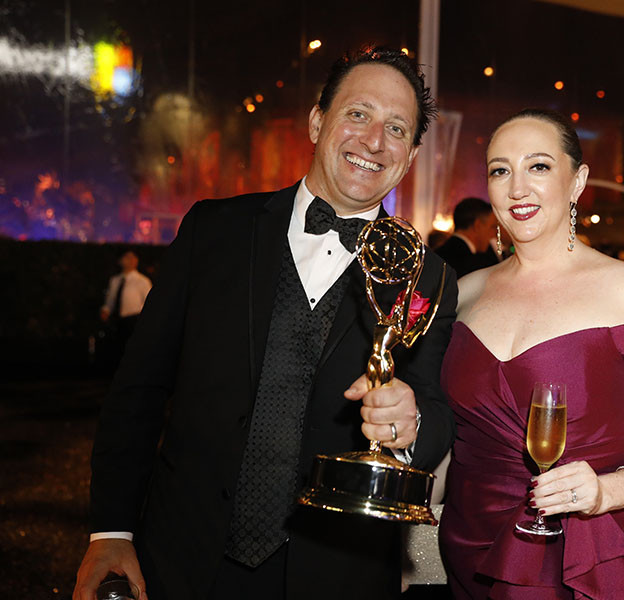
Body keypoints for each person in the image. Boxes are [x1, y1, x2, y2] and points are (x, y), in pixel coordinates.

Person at [73, 47, 458, 600]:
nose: (375, 140)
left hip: (340, 573)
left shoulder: (429, 276)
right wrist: (111, 528)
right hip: (183, 558)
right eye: (358, 114)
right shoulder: (214, 231)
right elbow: (138, 389)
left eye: (397, 128)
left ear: (413, 152)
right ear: (317, 120)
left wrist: (411, 424)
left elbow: (439, 412)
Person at [438, 108, 624, 599]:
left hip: (581, 552)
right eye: (501, 170)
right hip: (468, 540)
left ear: (578, 180)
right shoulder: (463, 293)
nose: (517, 187)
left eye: (538, 167)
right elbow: (452, 436)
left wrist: (608, 492)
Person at [99, 250, 152, 359]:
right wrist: (106, 310)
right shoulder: (115, 280)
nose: (132, 260)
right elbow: (111, 299)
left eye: (134, 257)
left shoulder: (142, 281)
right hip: (119, 321)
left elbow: (149, 303)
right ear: (120, 261)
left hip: (135, 320)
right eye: (128, 257)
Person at [436, 197, 499, 277]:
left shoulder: (436, 255)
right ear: (477, 226)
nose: (494, 234)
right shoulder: (475, 264)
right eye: (492, 227)